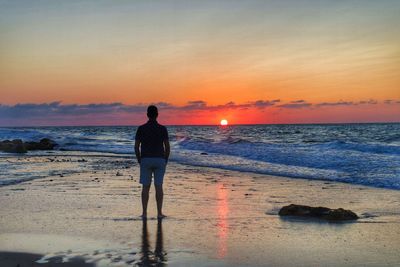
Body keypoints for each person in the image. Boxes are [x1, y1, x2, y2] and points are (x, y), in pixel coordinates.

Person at [135, 105, 170, 219]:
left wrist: (139, 159)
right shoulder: (162, 128)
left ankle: (144, 213)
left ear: (147, 115)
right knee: (158, 185)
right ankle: (159, 213)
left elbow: (136, 146)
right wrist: (165, 160)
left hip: (146, 159)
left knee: (146, 186)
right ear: (157, 114)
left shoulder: (141, 128)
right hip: (159, 159)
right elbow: (167, 147)